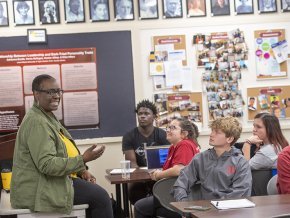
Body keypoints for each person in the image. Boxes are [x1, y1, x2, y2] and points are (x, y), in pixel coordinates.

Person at [10, 74, 113, 218]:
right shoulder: (37, 121)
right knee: (101, 198)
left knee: (102, 199)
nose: (57, 95)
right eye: (50, 92)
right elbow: (47, 164)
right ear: (36, 94)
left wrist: (81, 171)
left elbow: (62, 152)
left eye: (58, 91)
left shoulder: (47, 116)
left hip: (55, 181)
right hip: (39, 189)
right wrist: (82, 159)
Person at [173, 116, 252, 201]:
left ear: (229, 139)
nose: (211, 134)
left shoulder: (240, 162)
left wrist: (218, 206)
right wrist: (184, 204)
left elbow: (241, 192)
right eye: (212, 131)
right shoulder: (200, 158)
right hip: (204, 209)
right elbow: (181, 184)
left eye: (217, 132)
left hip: (229, 210)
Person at [134, 118, 200, 218]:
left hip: (179, 196)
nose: (168, 130)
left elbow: (179, 169)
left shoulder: (184, 144)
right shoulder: (174, 146)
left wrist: (158, 175)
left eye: (173, 128)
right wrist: (159, 172)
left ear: (184, 133)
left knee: (140, 207)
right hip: (171, 192)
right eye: (168, 127)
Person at [122, 99, 169, 204]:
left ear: (154, 117)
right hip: (139, 178)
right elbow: (132, 164)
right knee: (136, 194)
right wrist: (145, 175)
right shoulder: (129, 136)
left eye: (147, 113)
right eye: (140, 114)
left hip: (160, 176)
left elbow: (168, 160)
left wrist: (157, 174)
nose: (142, 116)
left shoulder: (163, 134)